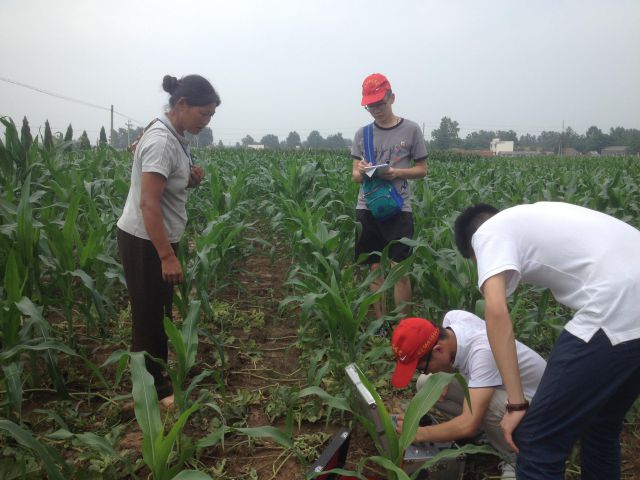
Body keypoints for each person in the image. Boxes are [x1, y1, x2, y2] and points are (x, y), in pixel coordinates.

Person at [454, 201, 640, 480]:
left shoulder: (487, 232)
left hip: (617, 305)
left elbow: (495, 311)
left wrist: (516, 404)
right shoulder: (537, 218)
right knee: (601, 424)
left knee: (537, 440)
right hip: (628, 305)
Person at [117, 74, 220, 407]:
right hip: (146, 240)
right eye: (203, 114)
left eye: (211, 116)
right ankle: (152, 392)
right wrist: (166, 256)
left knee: (157, 311)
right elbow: (149, 203)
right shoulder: (162, 140)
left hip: (156, 238)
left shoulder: (176, 135)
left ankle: (153, 378)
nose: (206, 121)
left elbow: (168, 187)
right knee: (148, 314)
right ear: (181, 105)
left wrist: (191, 180)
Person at [391, 313, 546, 478]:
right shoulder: (454, 320)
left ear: (438, 349)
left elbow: (468, 424)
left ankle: (515, 459)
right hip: (507, 394)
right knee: (427, 384)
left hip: (537, 410)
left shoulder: (482, 351)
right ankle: (486, 435)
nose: (425, 371)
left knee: (485, 403)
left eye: (422, 367)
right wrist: (445, 373)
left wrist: (421, 434)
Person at [351, 73, 428, 321]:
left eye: (380, 104)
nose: (376, 110)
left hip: (398, 208)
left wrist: (397, 172)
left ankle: (403, 326)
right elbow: (354, 175)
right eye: (370, 106)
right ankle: (380, 324)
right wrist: (362, 171)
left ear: (391, 97)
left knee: (400, 270)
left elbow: (422, 170)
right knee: (374, 268)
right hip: (368, 207)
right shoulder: (362, 134)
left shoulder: (412, 130)